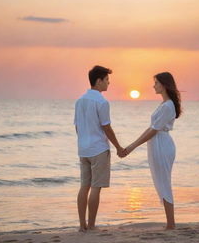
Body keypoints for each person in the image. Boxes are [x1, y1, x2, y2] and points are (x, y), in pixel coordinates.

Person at [125, 72, 181, 230]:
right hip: (157, 143)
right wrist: (132, 145)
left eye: (156, 83)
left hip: (161, 145)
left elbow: (153, 130)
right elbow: (151, 128)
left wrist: (132, 146)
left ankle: (171, 224)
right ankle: (170, 223)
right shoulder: (164, 104)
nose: (153, 85)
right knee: (160, 183)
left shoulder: (168, 106)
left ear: (164, 85)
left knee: (164, 183)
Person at [74, 65, 126, 232]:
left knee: (84, 186)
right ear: (99, 81)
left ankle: (82, 225)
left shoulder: (79, 100)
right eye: (107, 80)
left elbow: (77, 127)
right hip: (98, 149)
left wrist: (83, 142)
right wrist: (118, 147)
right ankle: (91, 225)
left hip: (83, 149)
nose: (108, 84)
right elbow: (107, 128)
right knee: (96, 187)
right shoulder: (102, 102)